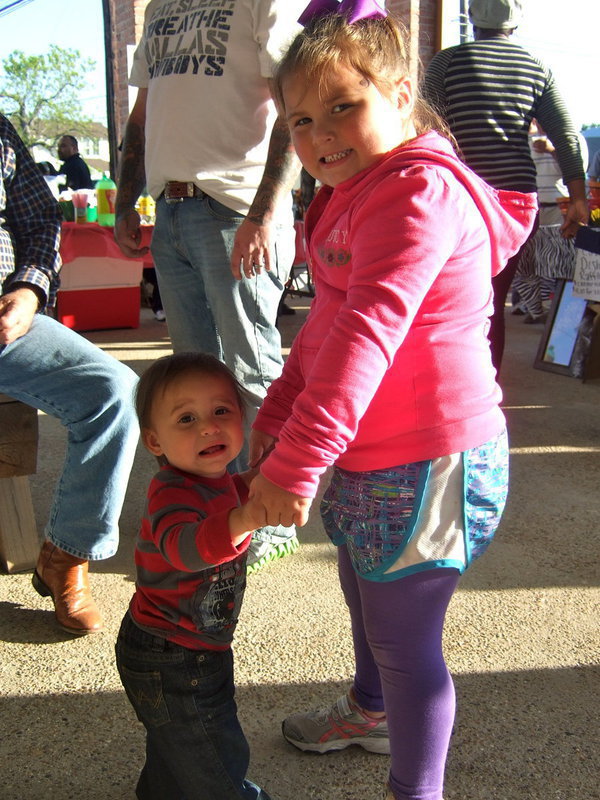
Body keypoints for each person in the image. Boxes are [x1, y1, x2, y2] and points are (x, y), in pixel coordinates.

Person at [244, 5, 537, 800]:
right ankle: (370, 712)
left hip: (433, 456)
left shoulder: (414, 194)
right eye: (301, 118)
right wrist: (276, 417)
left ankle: (418, 789)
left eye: (344, 105)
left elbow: (367, 332)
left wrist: (298, 461)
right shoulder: (350, 189)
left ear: (403, 94)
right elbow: (325, 326)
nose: (321, 133)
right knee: (361, 587)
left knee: (407, 641)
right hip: (373, 454)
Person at [113, 0, 307, 571]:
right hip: (171, 210)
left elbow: (293, 110)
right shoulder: (162, 9)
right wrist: (126, 198)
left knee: (252, 370)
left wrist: (264, 213)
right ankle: (206, 507)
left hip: (236, 211)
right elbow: (142, 117)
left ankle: (269, 513)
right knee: (192, 375)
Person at [0, 113, 139, 635]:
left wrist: (30, 291)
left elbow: (38, 220)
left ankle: (66, 553)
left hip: (6, 319)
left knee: (115, 390)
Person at [115, 352, 271, 800]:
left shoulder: (218, 478)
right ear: (155, 441)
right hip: (171, 656)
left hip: (192, 646)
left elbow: (236, 491)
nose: (208, 426)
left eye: (221, 411)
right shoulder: (171, 492)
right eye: (186, 418)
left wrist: (267, 478)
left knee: (179, 746)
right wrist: (246, 518)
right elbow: (185, 547)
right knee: (213, 754)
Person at [422, 0, 588, 374]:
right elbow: (566, 133)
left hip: (460, 199)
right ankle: (484, 387)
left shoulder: (446, 64)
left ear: (471, 18)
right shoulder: (535, 67)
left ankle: (458, 382)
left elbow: (423, 127)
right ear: (516, 23)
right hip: (515, 206)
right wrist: (577, 198)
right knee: (492, 298)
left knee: (451, 296)